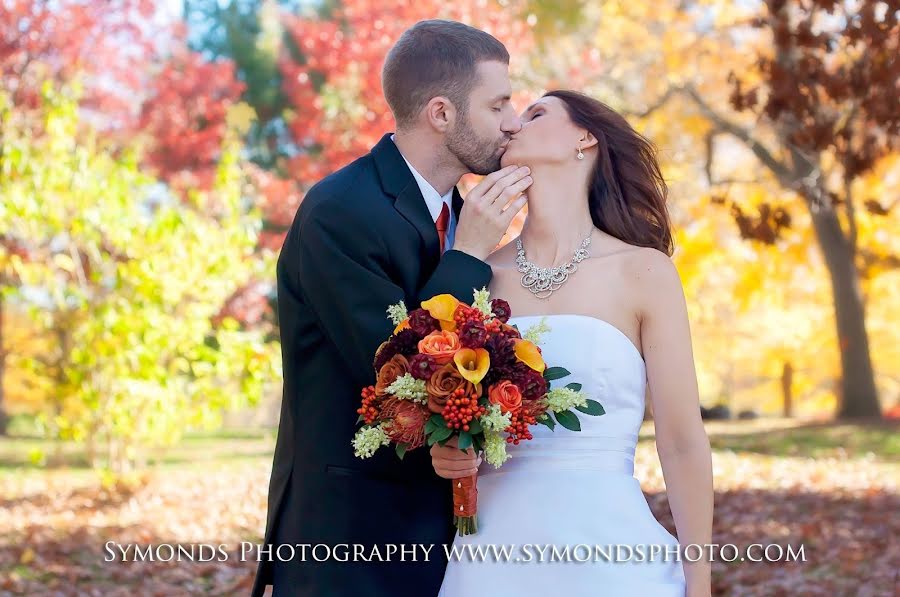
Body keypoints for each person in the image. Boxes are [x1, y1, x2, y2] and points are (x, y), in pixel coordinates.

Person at [252, 20, 533, 597]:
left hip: (452, 542)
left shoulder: (463, 213)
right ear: (440, 113)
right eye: (499, 102)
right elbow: (400, 367)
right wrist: (468, 254)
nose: (513, 120)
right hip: (352, 543)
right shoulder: (339, 211)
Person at [432, 91, 714, 597]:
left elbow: (681, 441)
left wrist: (701, 583)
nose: (513, 125)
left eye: (536, 113)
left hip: (612, 560)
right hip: (491, 560)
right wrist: (448, 448)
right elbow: (447, 409)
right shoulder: (478, 271)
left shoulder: (643, 271)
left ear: (585, 138)